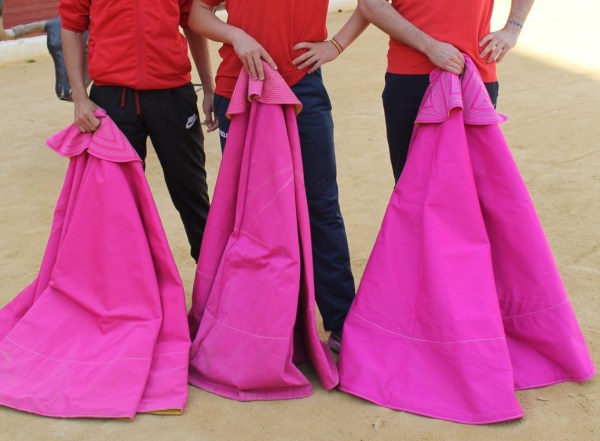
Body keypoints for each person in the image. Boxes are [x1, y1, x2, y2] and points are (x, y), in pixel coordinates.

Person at [188, 0, 368, 351]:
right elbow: (197, 13)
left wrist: (336, 45)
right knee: (250, 215)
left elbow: (371, 5)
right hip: (239, 86)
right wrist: (236, 36)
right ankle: (258, 328)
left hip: (303, 86)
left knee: (320, 205)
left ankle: (342, 320)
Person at [59, 0, 217, 261]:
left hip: (173, 94)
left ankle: (212, 275)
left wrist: (209, 88)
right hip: (112, 98)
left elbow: (193, 22)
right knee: (118, 202)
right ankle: (133, 283)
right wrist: (79, 98)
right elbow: (72, 26)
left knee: (192, 191)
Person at [357, 0, 535, 182]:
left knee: (477, 184)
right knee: (412, 184)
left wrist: (513, 28)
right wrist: (429, 46)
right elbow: (370, 4)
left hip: (474, 71)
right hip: (412, 73)